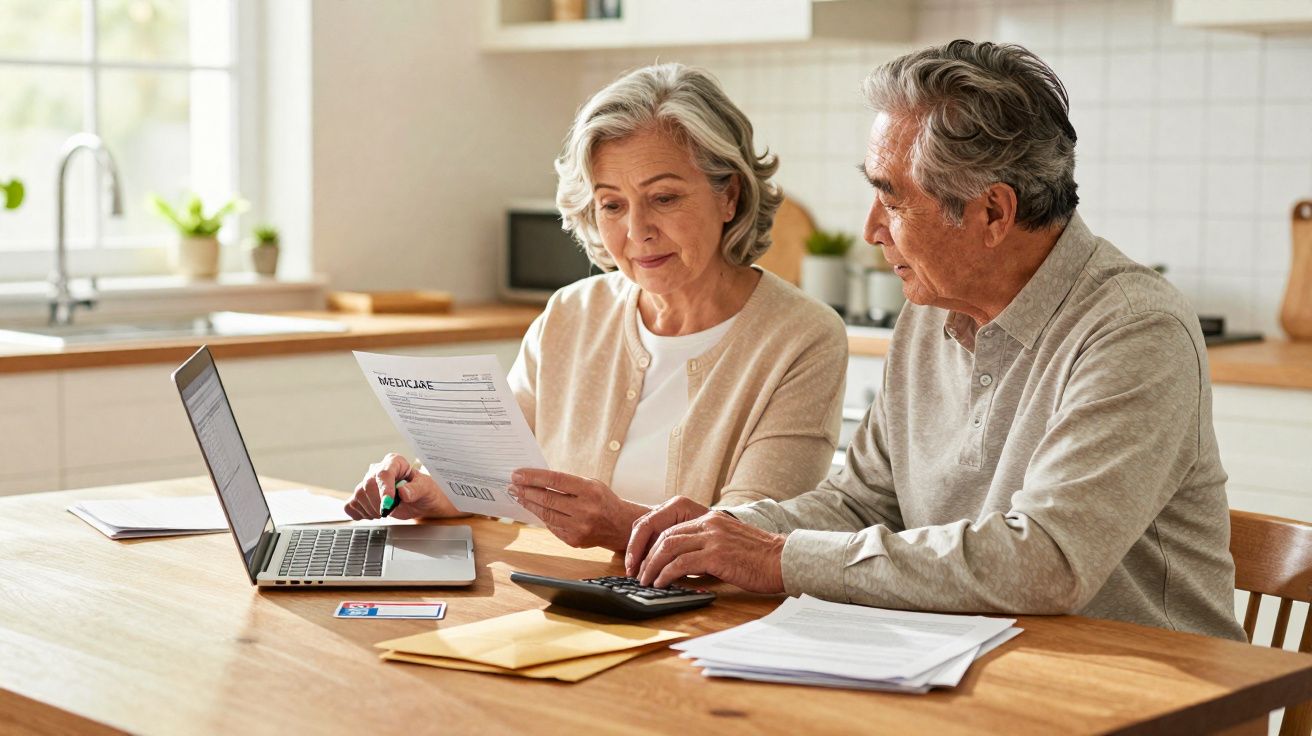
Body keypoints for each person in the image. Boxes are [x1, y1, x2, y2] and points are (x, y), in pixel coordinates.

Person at [625, 40, 1246, 641]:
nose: (870, 229)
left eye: (891, 200)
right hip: (973, 664)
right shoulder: (930, 310)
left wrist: (776, 557)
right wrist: (727, 529)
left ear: (995, 214)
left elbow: (1048, 561)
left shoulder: (1135, 331)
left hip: (1147, 691)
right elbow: (861, 503)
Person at [344, 63, 848, 553]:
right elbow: (498, 474)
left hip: (705, 627)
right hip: (558, 606)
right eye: (612, 205)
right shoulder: (570, 312)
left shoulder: (803, 337)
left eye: (665, 198)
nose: (637, 231)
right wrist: (434, 489)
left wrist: (619, 526)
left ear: (730, 196)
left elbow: (751, 542)